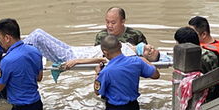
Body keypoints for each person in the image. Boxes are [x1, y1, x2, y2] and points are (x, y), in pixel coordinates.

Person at [94, 35, 160, 110]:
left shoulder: (106, 72)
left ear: (105, 52)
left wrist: (97, 74)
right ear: (120, 45)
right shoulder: (136, 62)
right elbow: (156, 75)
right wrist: (143, 59)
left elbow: (97, 92)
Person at [0, 18, 44, 110]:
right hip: (37, 106)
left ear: (7, 38)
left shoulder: (7, 60)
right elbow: (39, 78)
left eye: (0, 38)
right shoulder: (35, 51)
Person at [24, 28, 164, 70]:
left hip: (71, 56)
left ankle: (13, 53)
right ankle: (14, 51)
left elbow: (104, 59)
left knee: (37, 35)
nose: (150, 48)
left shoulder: (127, 54)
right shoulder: (129, 46)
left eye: (150, 53)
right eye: (152, 48)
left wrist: (77, 61)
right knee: (38, 35)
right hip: (72, 49)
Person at [174, 27, 219, 102]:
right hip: (215, 95)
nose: (176, 45)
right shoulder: (212, 53)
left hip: (202, 99)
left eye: (177, 42)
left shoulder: (192, 61)